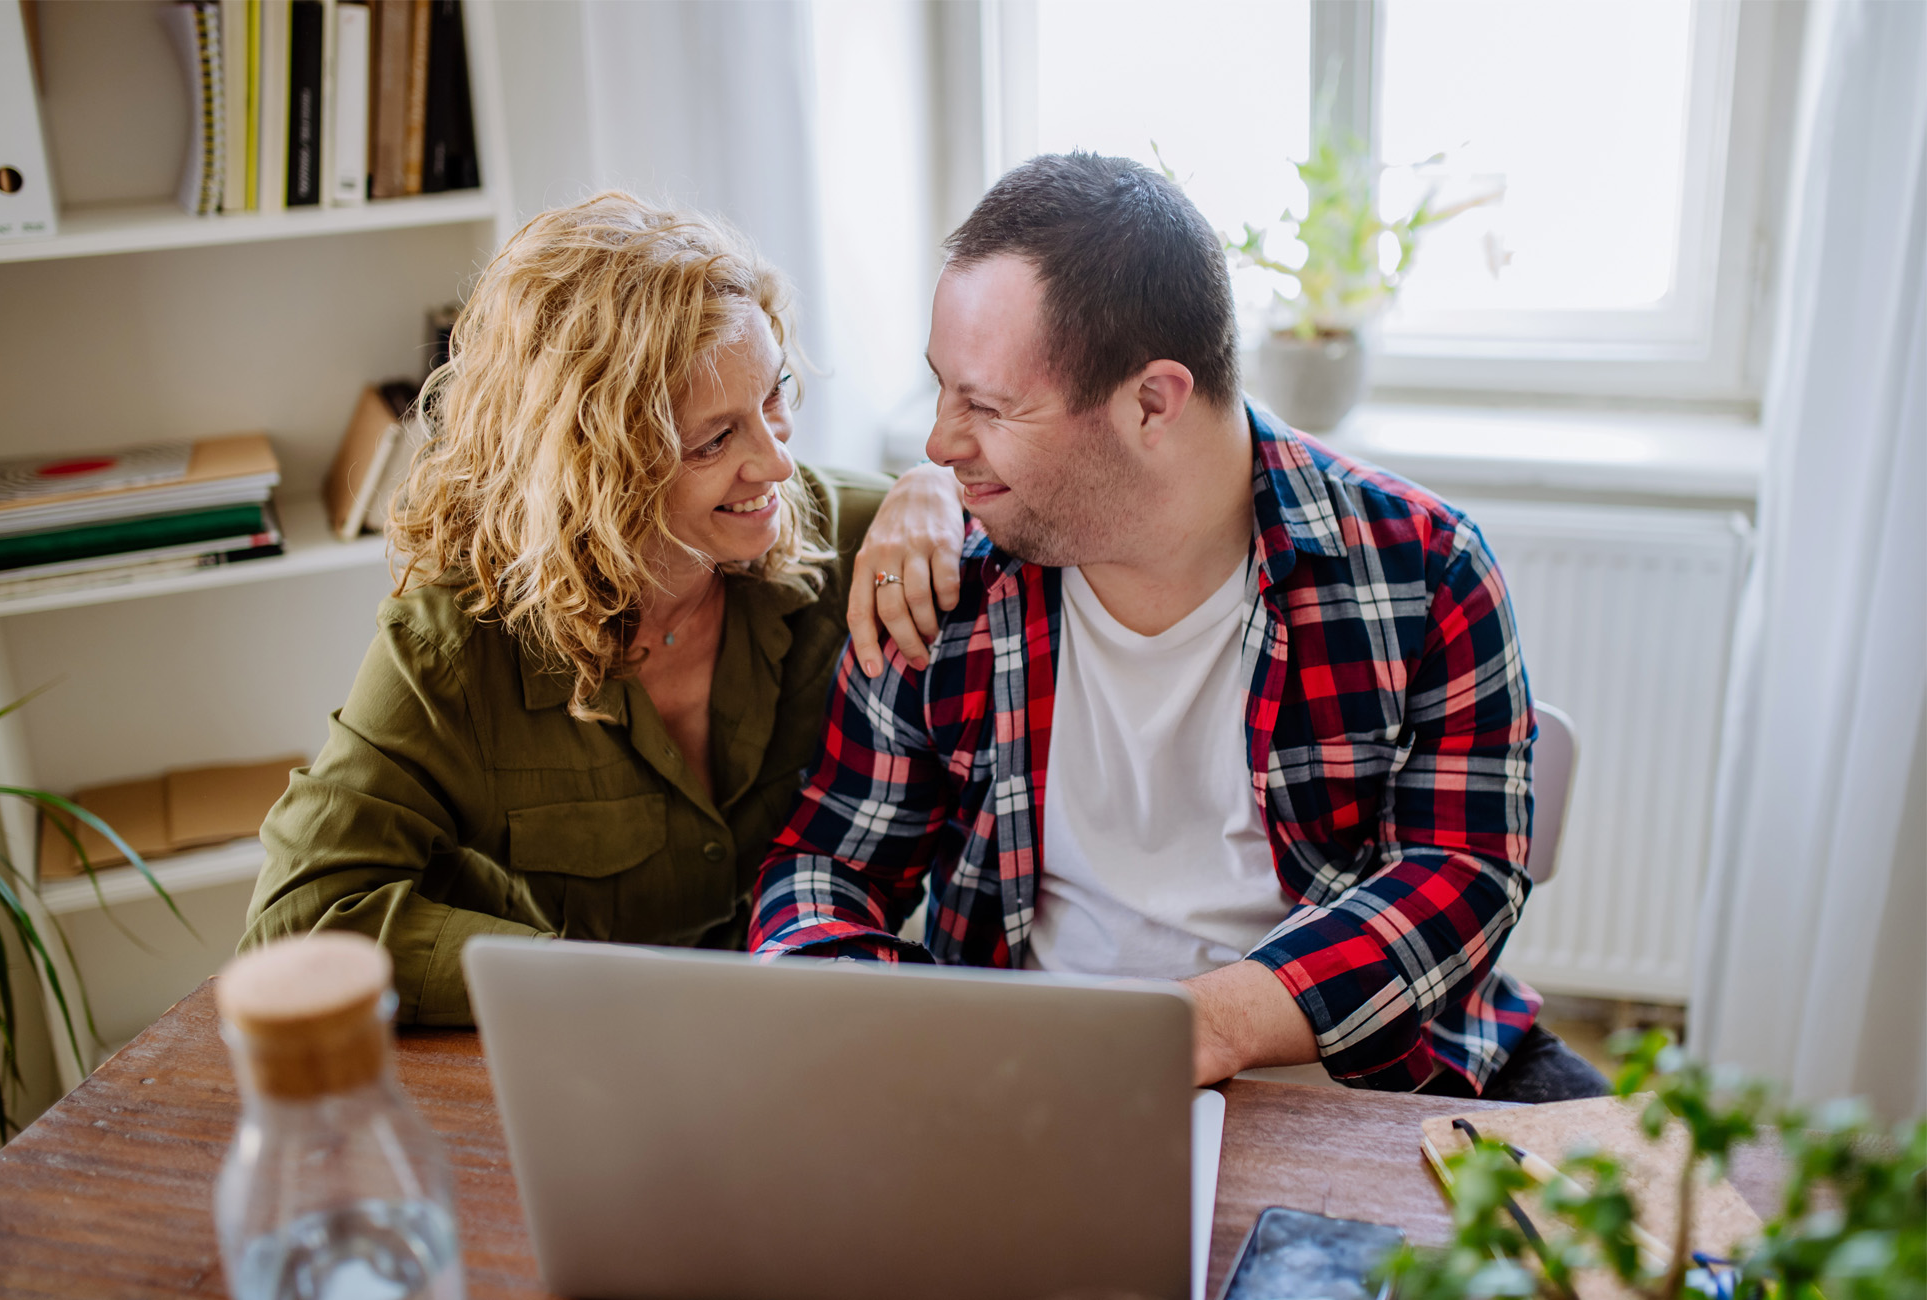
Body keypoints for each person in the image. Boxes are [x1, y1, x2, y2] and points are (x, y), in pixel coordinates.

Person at [749, 153, 1608, 1102]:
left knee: (1674, 1232)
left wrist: (1200, 1029)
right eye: (942, 390)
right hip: (1030, 1093)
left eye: (986, 406)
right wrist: (886, 1026)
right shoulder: (946, 582)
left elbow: (1464, 872)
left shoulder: (1425, 568)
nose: (941, 442)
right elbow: (830, 867)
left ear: (1152, 401)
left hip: (1360, 1078)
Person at [241, 194, 963, 1026]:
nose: (775, 462)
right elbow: (299, 922)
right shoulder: (453, 647)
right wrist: (586, 984)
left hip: (814, 1039)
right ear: (596, 468)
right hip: (597, 1061)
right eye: (713, 441)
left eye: (776, 395)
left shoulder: (844, 539)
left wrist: (934, 486)